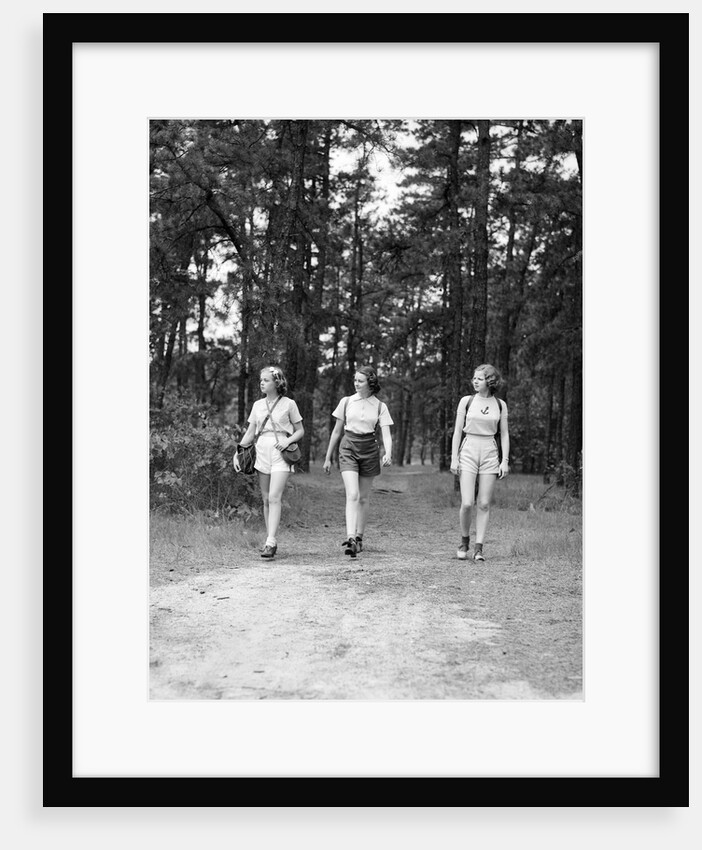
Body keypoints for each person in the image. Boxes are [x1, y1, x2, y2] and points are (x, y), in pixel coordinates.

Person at [233, 365, 304, 560]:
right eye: (261, 380)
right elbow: (250, 432)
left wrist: (288, 441)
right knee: (265, 499)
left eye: (266, 380)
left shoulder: (289, 404)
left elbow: (300, 430)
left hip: (281, 451)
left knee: (274, 496)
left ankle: (271, 541)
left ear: (277, 382)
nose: (262, 383)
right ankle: (270, 539)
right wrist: (237, 453)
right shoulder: (257, 405)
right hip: (262, 450)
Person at [323, 366, 394, 559]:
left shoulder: (380, 406)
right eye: (355, 380)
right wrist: (328, 457)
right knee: (352, 494)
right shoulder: (346, 402)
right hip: (348, 447)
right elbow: (336, 431)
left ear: (370, 383)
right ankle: (350, 537)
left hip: (369, 449)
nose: (356, 383)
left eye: (360, 381)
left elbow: (386, 434)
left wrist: (388, 453)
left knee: (363, 497)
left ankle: (359, 537)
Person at [450, 363, 510, 561]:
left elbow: (504, 434)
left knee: (484, 503)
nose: (475, 381)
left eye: (480, 378)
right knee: (468, 503)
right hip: (468, 449)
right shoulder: (466, 401)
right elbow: (457, 431)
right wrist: (454, 458)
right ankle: (464, 540)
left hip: (489, 451)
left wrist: (504, 461)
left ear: (490, 381)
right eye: (474, 378)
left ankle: (478, 548)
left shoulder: (500, 405)